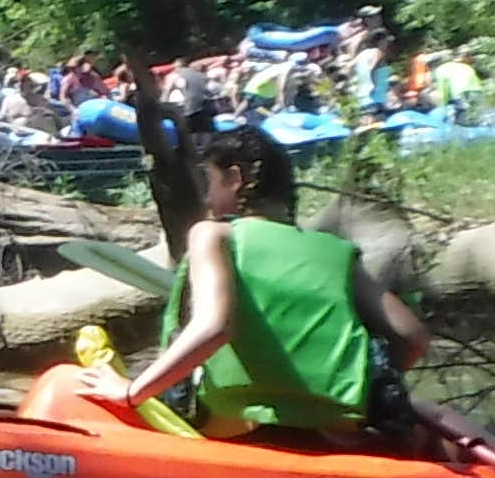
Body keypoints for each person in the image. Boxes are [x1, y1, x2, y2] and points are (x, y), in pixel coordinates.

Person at [88, 121, 460, 457]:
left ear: (234, 178)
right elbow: (412, 336)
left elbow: (214, 327)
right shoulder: (334, 251)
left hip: (237, 423)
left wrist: (132, 391)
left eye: (210, 181)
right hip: (335, 426)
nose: (207, 197)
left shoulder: (214, 235)